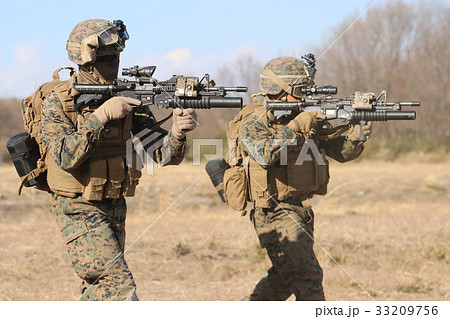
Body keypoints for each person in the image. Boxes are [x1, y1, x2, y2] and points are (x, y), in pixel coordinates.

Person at [39, 19, 197, 300]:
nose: (115, 62)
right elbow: (64, 156)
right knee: (119, 289)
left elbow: (161, 154)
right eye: (107, 57)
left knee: (99, 292)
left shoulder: (127, 98)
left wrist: (177, 132)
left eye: (117, 56)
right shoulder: (59, 101)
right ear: (86, 61)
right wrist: (100, 117)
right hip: (76, 207)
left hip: (113, 203)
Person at [233, 56, 372, 300]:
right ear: (278, 91)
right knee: (308, 277)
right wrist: (296, 127)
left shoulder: (304, 116)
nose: (303, 98)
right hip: (273, 212)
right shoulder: (253, 121)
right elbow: (264, 155)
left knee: (283, 281)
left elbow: (340, 153)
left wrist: (356, 135)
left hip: (300, 210)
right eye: (299, 91)